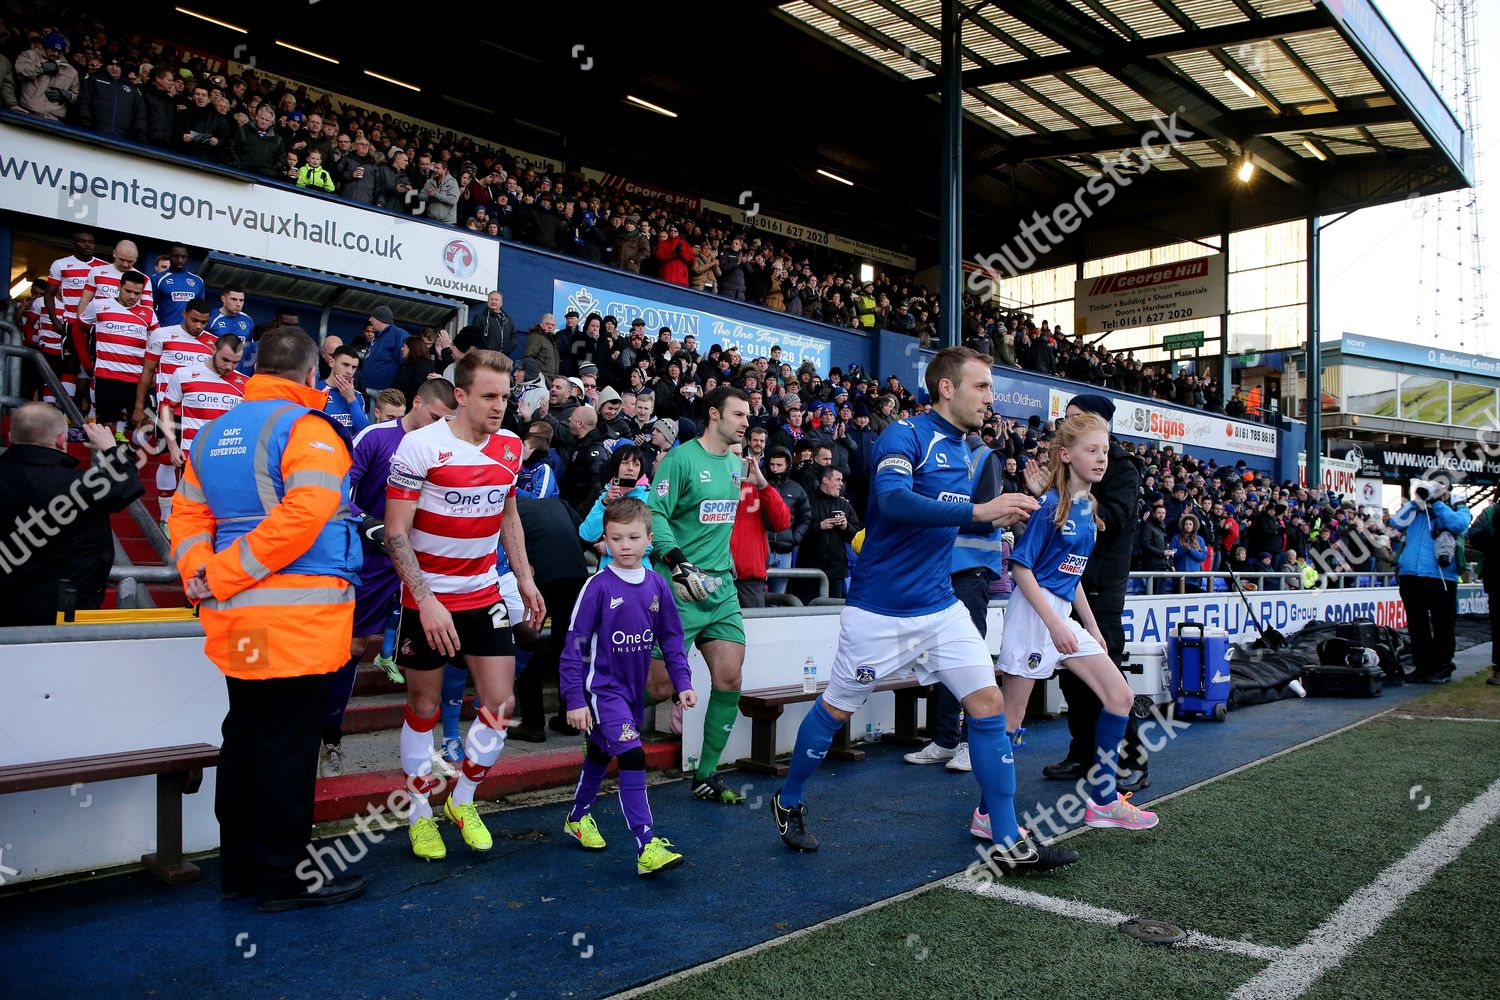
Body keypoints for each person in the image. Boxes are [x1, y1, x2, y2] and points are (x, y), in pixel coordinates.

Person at [770, 347, 1074, 872]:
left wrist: (1002, 515)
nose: (990, 398)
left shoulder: (966, 449)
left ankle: (1005, 836)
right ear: (947, 388)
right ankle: (789, 799)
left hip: (940, 606)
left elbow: (951, 520)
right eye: (981, 386)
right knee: (838, 709)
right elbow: (892, 501)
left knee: (988, 706)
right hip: (879, 610)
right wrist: (980, 509)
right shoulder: (905, 435)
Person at [169, 326, 366, 911]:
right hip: (298, 625)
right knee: (286, 749)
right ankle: (282, 878)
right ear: (311, 375)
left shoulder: (209, 435)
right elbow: (305, 517)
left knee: (246, 740)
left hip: (234, 622)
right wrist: (225, 573)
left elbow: (184, 519)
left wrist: (202, 576)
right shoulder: (309, 430)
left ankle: (240, 872)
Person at [384, 351, 545, 860]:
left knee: (500, 706)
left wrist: (524, 577)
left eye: (506, 397)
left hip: (484, 593)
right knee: (424, 708)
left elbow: (508, 516)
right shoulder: (419, 447)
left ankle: (463, 798)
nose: (500, 407)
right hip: (426, 600)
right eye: (489, 396)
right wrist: (426, 600)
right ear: (461, 395)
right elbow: (394, 534)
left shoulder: (511, 447)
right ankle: (419, 812)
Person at [997, 413, 1158, 833]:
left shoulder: (1088, 506)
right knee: (1012, 719)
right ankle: (988, 814)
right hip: (1035, 615)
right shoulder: (1052, 504)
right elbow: (1020, 568)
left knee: (1120, 696)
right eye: (1092, 450)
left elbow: (1074, 575)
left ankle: (1103, 801)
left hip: (1063, 612)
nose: (1101, 458)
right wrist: (1054, 624)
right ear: (1066, 455)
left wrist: (1090, 625)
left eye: (1104, 450)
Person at [318, 379, 456, 777]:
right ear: (416, 402)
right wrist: (366, 523)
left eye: (445, 421)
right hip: (356, 557)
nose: (438, 426)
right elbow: (338, 486)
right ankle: (321, 731)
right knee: (338, 646)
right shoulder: (376, 436)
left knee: (360, 646)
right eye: (433, 417)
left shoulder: (441, 447)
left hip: (402, 565)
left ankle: (332, 737)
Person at [559, 497, 698, 876]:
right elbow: (574, 645)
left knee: (602, 754)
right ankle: (646, 843)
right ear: (605, 539)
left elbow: (671, 638)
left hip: (634, 691)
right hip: (604, 691)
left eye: (633, 537)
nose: (625, 545)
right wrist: (574, 698)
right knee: (634, 756)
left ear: (649, 539)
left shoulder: (657, 584)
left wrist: (682, 683)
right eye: (616, 538)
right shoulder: (597, 587)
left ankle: (578, 816)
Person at [644, 385, 753, 804]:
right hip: (678, 586)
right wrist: (678, 564)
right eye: (739, 415)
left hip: (720, 588)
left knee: (730, 677)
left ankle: (706, 775)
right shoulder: (680, 459)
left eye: (748, 416)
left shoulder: (734, 464)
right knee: (657, 688)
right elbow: (656, 514)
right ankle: (602, 708)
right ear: (714, 414)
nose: (746, 423)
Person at [1042, 395, 1148, 794]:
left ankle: (1133, 758)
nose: (1067, 426)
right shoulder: (1064, 461)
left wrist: (1073, 500)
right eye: (1066, 420)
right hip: (1067, 580)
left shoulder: (1121, 467)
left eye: (1078, 419)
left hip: (1100, 583)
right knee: (1072, 676)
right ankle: (1083, 753)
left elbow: (1117, 518)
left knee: (1107, 674)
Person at [902, 433, 1007, 778]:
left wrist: (935, 514)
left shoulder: (982, 457)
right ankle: (946, 738)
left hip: (968, 571)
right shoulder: (943, 459)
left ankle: (968, 742)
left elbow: (988, 515)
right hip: (939, 570)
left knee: (968, 660)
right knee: (941, 660)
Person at [0, 405, 143, 626]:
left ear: (10, 438)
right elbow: (128, 484)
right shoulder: (78, 486)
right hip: (64, 617)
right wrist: (110, 448)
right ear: (61, 440)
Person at [158, 334, 247, 529]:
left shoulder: (245, 384)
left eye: (235, 362)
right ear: (213, 350)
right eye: (225, 360)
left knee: (219, 512)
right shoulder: (184, 375)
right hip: (192, 456)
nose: (229, 367)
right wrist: (172, 446)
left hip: (227, 458)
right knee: (188, 510)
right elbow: (166, 411)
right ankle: (171, 530)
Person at [1391, 481, 1472, 683]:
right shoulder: (1415, 511)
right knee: (1417, 625)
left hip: (1441, 576)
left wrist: (1437, 504)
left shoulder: (1457, 510)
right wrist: (1416, 502)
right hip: (1411, 575)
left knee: (1443, 624)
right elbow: (1395, 522)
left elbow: (1459, 525)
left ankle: (1443, 664)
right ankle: (1422, 666)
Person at [580, 445, 652, 569]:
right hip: (608, 572)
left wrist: (610, 548)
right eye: (625, 463)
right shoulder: (605, 494)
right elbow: (587, 534)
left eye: (636, 464)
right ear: (616, 466)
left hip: (639, 570)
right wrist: (604, 503)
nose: (630, 469)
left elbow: (653, 542)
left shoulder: (649, 497)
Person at [797, 466, 860, 602]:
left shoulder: (845, 506)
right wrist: (819, 526)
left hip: (836, 571)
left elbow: (856, 535)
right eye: (838, 480)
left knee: (831, 614)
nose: (841, 484)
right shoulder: (808, 502)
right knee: (807, 613)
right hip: (810, 571)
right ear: (825, 480)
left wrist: (845, 526)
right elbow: (798, 532)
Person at [1170, 514, 1208, 593]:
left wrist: (1190, 550)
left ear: (1194, 526)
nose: (1188, 526)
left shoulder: (1200, 539)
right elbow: (1172, 555)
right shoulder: (1175, 538)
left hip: (1194, 579)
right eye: (1186, 524)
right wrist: (1183, 549)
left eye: (1190, 524)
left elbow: (1203, 556)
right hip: (1179, 578)